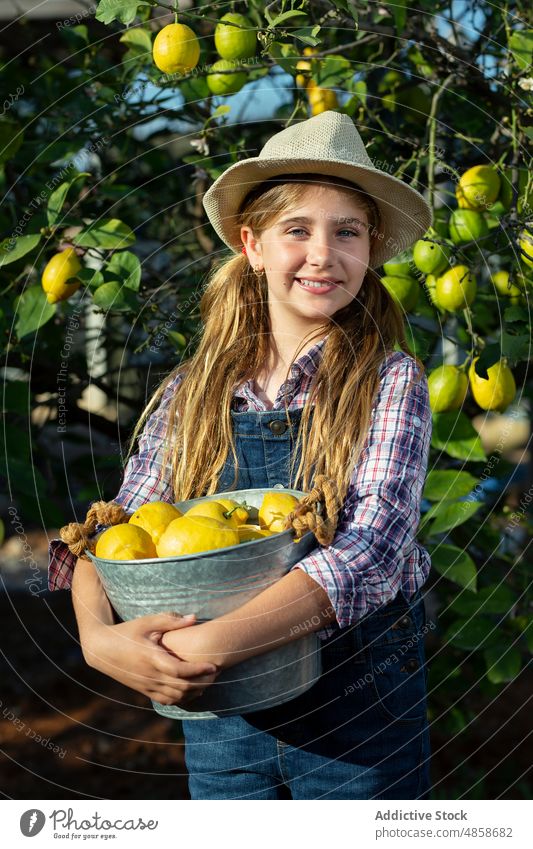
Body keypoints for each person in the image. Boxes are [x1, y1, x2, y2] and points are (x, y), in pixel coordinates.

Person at [49, 110, 434, 800]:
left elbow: (371, 550)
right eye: (297, 230)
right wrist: (97, 637)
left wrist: (196, 649)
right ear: (251, 244)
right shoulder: (194, 390)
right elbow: (121, 527)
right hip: (223, 727)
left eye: (346, 231)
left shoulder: (388, 377)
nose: (322, 254)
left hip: (358, 725)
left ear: (370, 249)